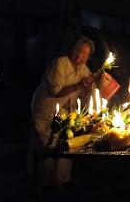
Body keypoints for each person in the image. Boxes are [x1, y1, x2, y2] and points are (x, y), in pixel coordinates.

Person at [28, 35, 96, 190]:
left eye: (86, 55)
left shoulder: (84, 69)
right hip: (46, 109)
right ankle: (45, 183)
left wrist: (91, 85)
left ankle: (61, 181)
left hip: (64, 113)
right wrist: (79, 85)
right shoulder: (60, 63)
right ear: (73, 50)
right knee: (48, 146)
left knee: (65, 143)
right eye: (80, 52)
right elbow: (55, 91)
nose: (82, 57)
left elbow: (89, 91)